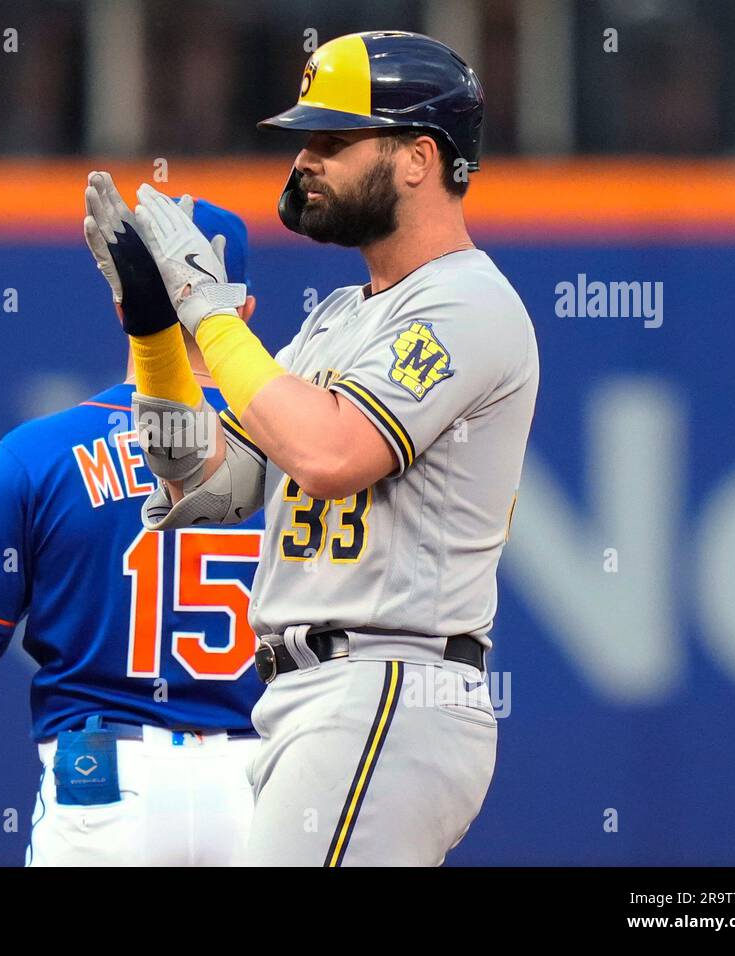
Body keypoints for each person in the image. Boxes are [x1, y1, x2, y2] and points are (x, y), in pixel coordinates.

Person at [90, 31, 540, 866]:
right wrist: (157, 335)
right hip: (318, 696)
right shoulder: (341, 315)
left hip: (389, 682)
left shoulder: (468, 304)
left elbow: (331, 456)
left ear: (418, 158)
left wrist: (209, 313)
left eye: (333, 141)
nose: (305, 160)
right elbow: (210, 482)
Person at [0, 189, 265, 866]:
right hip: (263, 778)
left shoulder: (40, 451)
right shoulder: (307, 449)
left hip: (104, 777)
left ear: (121, 303)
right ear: (244, 309)